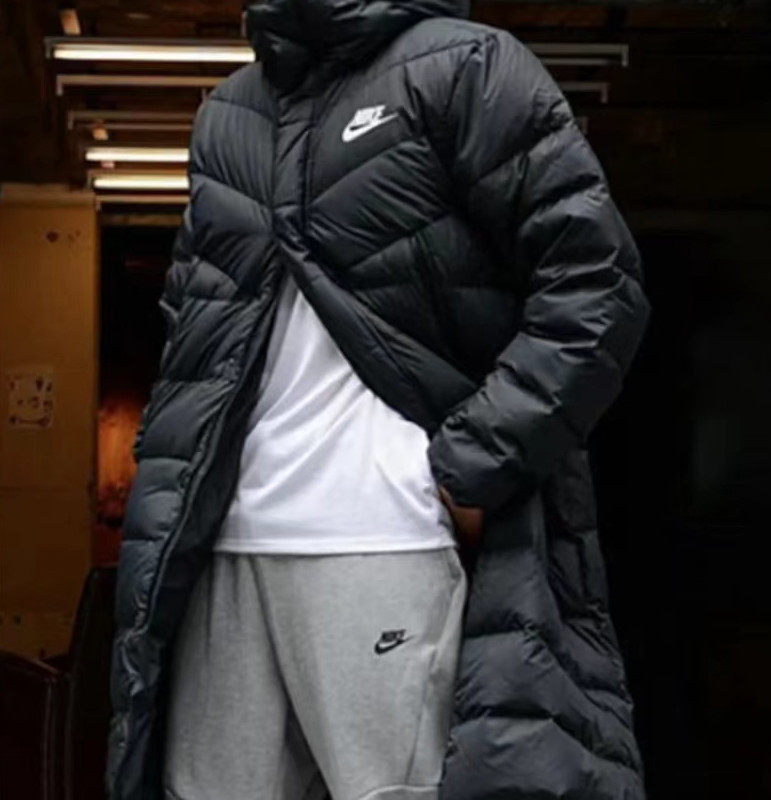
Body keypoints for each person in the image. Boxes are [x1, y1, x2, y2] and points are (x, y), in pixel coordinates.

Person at [105, 2, 651, 799]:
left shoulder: (465, 66)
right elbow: (192, 329)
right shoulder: (229, 111)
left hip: (381, 535)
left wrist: (468, 466)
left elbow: (597, 285)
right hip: (223, 548)